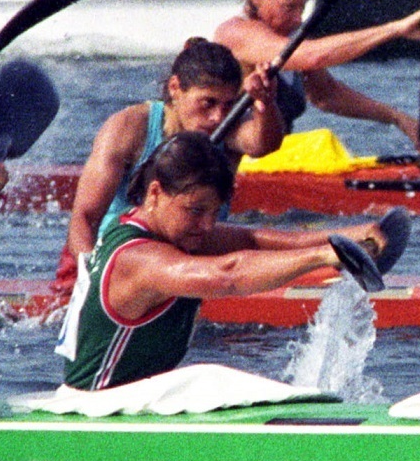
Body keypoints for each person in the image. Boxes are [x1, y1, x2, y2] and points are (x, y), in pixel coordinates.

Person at [61, 132, 382, 394]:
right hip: (97, 409)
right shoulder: (137, 259)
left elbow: (253, 241)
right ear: (155, 193)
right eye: (197, 210)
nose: (207, 226)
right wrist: (324, 257)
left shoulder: (173, 233)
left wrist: (356, 235)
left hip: (128, 402)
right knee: (212, 378)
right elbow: (227, 275)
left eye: (215, 213)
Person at [59, 37, 287, 285]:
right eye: (208, 103)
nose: (218, 117)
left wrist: (266, 102)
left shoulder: (229, 129)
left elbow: (264, 144)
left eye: (228, 105)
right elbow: (84, 218)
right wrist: (92, 278)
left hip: (182, 264)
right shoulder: (129, 127)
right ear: (175, 88)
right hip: (109, 259)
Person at [211, 0, 420, 163]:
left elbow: (326, 95)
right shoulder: (236, 33)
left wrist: (397, 118)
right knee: (323, 140)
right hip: (233, 167)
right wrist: (396, 29)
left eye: (301, 8)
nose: (298, 19)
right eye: (289, 7)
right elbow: (313, 56)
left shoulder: (288, 39)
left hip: (275, 161)